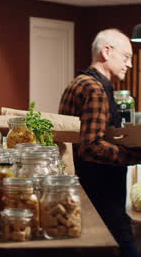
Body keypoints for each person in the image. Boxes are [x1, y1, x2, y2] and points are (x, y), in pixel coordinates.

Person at [59, 28, 141, 257]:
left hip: (84, 192)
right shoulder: (95, 89)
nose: (130, 65)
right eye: (126, 57)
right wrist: (135, 155)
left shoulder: (77, 82)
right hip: (101, 196)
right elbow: (91, 147)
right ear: (107, 52)